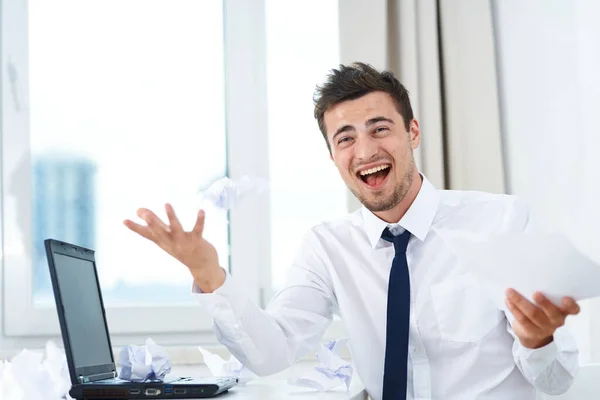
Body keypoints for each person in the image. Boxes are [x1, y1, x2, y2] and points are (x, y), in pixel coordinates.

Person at [124, 62, 581, 400]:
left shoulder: (502, 222)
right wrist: (209, 275)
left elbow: (558, 381)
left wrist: (537, 338)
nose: (365, 150)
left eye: (379, 128)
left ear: (413, 132)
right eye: (345, 138)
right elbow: (272, 353)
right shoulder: (327, 247)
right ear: (332, 157)